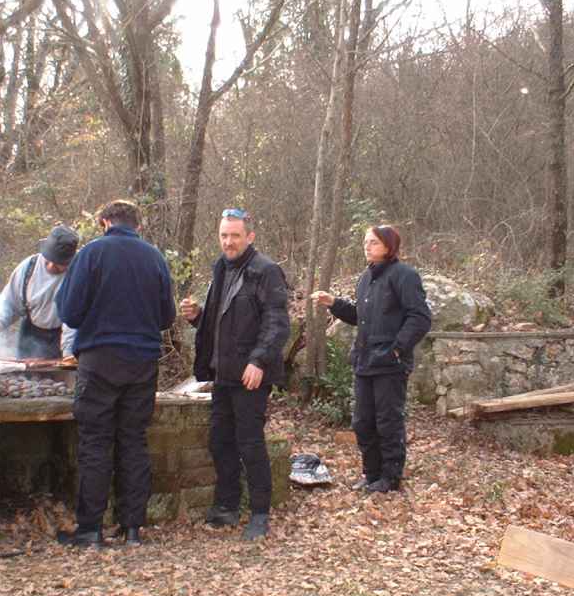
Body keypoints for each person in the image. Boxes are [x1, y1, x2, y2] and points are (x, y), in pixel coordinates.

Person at [55, 200, 175, 548]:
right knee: (133, 440)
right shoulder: (155, 258)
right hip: (142, 362)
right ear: (138, 225)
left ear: (105, 222)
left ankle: (90, 530)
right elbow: (166, 317)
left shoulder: (91, 254)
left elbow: (69, 312)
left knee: (95, 441)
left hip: (100, 359)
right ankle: (132, 528)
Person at [179, 208, 290, 540]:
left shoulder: (266, 271)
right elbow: (222, 322)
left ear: (249, 237)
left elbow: (276, 324)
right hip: (223, 374)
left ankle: (259, 513)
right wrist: (198, 317)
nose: (228, 242)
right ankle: (226, 506)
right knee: (220, 441)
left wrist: (259, 361)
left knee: (250, 443)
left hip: (251, 375)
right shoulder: (221, 268)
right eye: (224, 235)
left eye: (235, 236)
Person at [312, 225, 432, 493]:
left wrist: (397, 349)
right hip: (364, 361)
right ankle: (371, 474)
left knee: (388, 422)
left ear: (389, 246)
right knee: (362, 422)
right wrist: (333, 303)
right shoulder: (366, 277)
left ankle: (390, 478)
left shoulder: (404, 275)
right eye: (365, 241)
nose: (367, 246)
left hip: (390, 364)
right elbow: (361, 316)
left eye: (373, 242)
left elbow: (420, 317)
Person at [0, 226, 79, 359]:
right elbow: (10, 302)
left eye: (58, 263)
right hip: (30, 333)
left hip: (63, 336)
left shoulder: (78, 273)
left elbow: (73, 318)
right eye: (48, 260)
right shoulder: (28, 267)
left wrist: (68, 351)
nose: (51, 266)